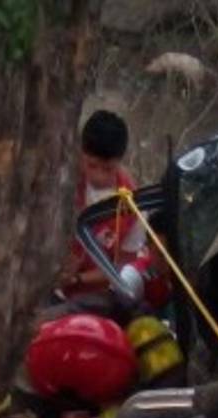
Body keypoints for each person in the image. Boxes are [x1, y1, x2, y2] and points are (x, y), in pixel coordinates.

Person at [54, 110, 146, 309]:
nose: (98, 176)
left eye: (108, 169)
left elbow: (120, 269)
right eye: (91, 165)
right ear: (80, 153)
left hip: (90, 298)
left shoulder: (131, 207)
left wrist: (77, 279)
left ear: (119, 161)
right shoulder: (59, 181)